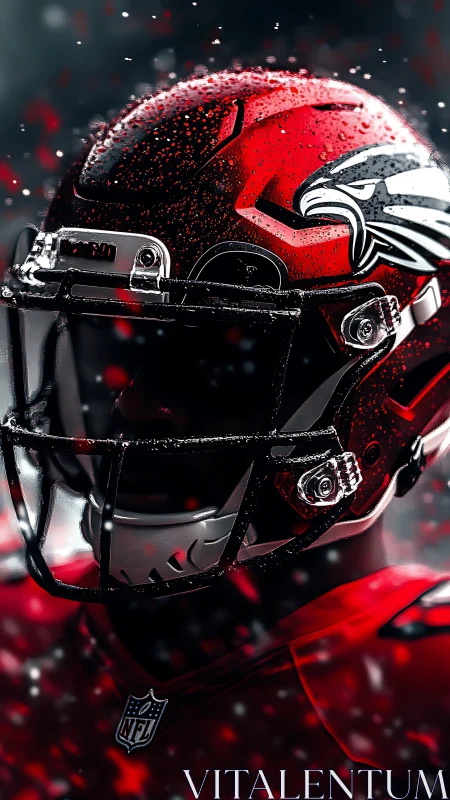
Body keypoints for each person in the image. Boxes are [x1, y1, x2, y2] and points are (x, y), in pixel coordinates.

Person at [0, 68, 449, 799]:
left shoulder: (423, 690)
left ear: (396, 372)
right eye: (110, 349)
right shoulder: (12, 628)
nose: (137, 407)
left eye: (215, 355)